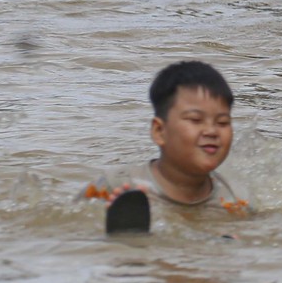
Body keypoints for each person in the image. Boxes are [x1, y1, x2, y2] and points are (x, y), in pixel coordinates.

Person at [95, 60, 249, 233]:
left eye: (222, 122)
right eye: (195, 120)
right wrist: (101, 221)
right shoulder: (115, 184)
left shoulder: (236, 201)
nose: (212, 131)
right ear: (160, 131)